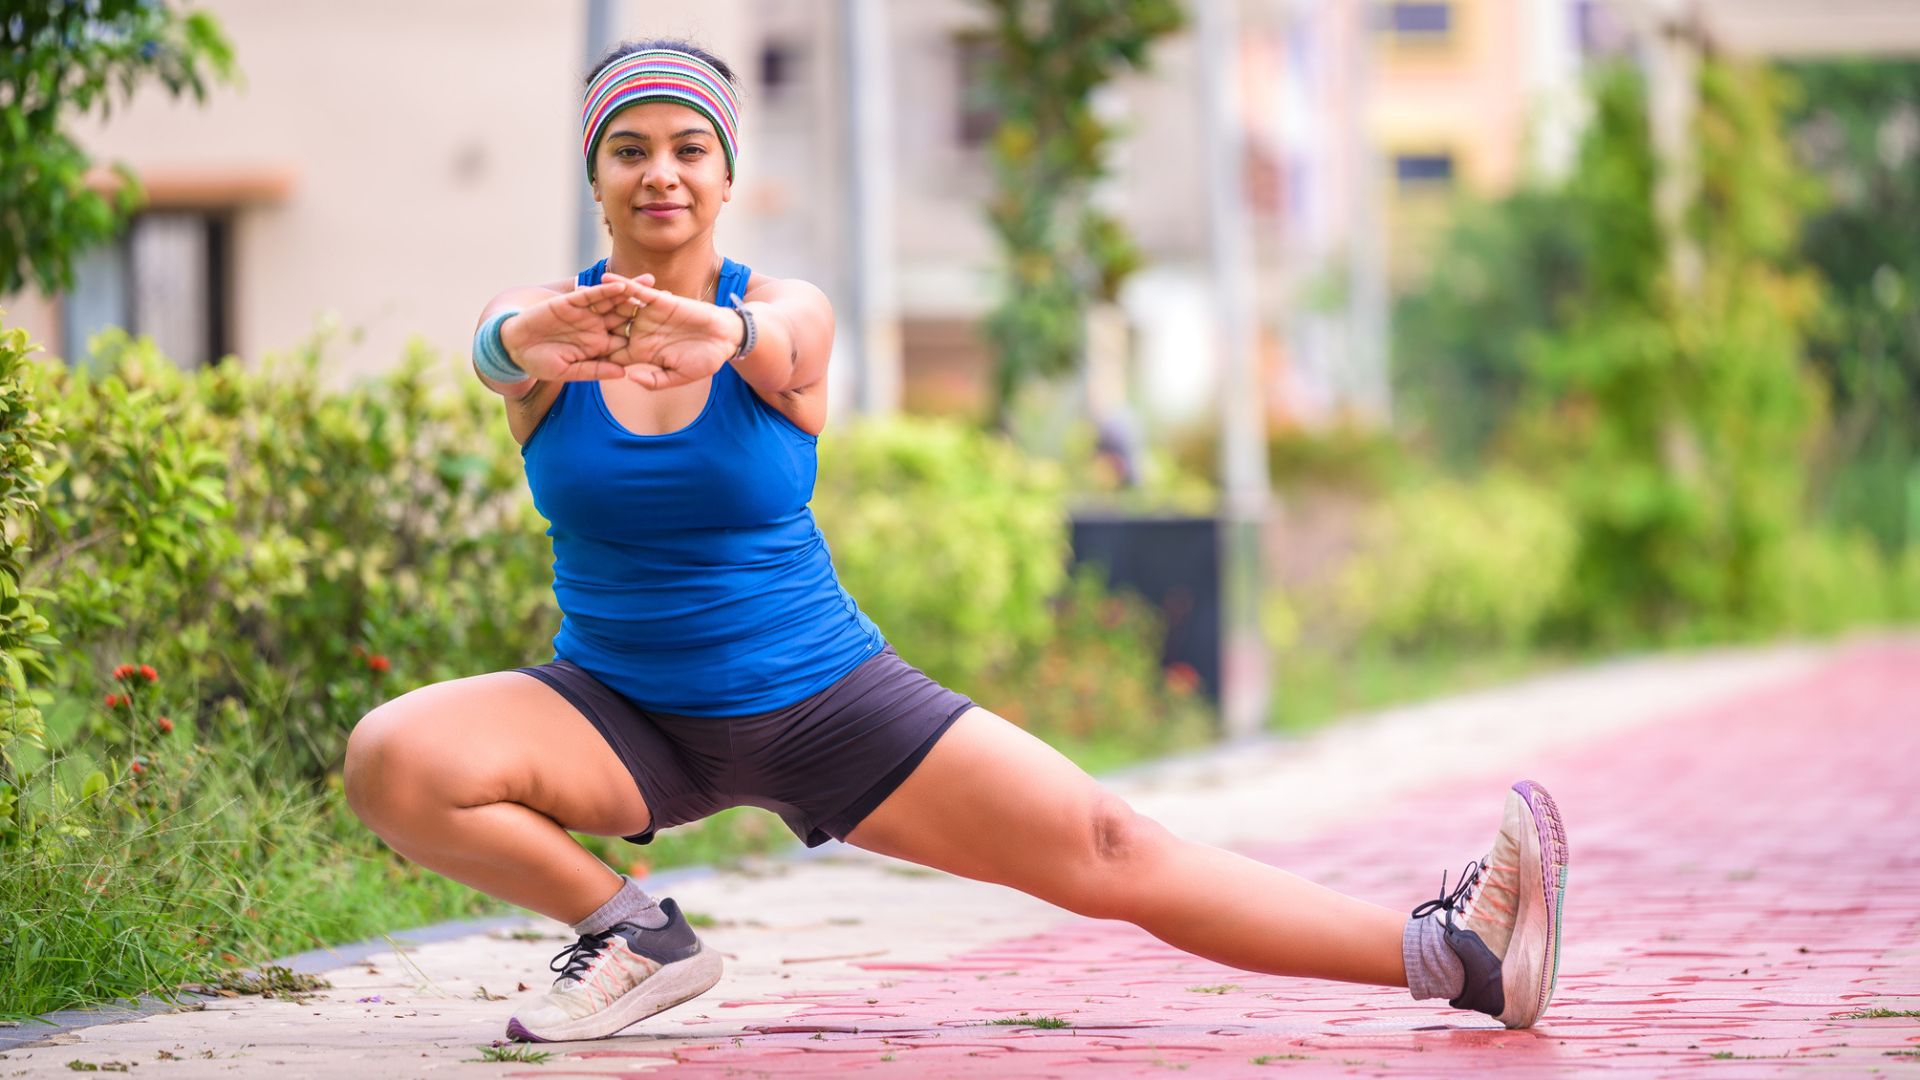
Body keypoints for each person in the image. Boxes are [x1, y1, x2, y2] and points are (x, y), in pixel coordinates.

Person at [340, 39, 1570, 1045]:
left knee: (1110, 847)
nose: (661, 173)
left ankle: (1452, 956)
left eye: (688, 148)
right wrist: (517, 339)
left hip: (825, 699)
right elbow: (494, 344)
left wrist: (722, 335)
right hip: (620, 710)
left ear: (725, 173)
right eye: (630, 150)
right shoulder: (552, 337)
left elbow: (793, 344)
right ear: (597, 176)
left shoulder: (778, 313)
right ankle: (634, 936)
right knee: (395, 757)